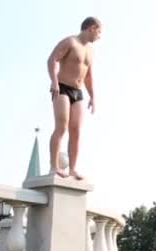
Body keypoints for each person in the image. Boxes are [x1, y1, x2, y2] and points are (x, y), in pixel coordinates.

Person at [47, 17, 102, 180]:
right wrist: (54, 82)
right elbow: (52, 60)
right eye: (99, 32)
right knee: (61, 127)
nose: (99, 36)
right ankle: (54, 167)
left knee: (76, 131)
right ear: (92, 28)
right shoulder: (70, 42)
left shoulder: (90, 51)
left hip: (78, 92)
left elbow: (88, 76)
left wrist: (93, 96)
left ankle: (72, 169)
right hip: (62, 87)